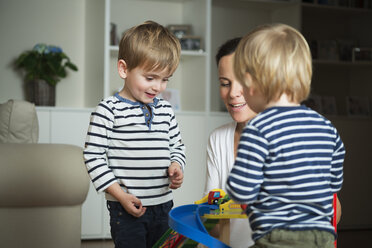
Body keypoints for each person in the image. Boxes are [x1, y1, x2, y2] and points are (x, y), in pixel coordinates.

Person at [226, 23, 345, 248]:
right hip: (322, 236)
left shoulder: (259, 129)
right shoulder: (327, 127)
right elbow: (333, 185)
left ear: (251, 82)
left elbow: (242, 190)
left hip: (278, 237)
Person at [83, 21, 186, 248]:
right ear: (123, 69)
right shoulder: (108, 109)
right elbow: (93, 156)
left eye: (165, 79)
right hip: (127, 207)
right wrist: (120, 196)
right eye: (150, 78)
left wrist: (177, 165)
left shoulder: (166, 109)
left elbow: (177, 145)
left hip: (164, 205)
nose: (158, 87)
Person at [203, 37, 256, 248]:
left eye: (243, 82)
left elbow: (333, 212)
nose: (233, 93)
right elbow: (211, 213)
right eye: (225, 83)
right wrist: (210, 215)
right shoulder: (218, 139)